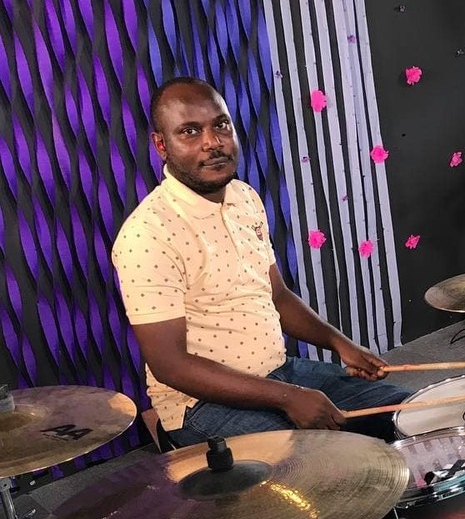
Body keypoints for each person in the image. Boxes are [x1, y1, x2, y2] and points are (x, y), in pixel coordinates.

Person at [112, 76, 410, 448]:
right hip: (200, 406)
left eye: (221, 125)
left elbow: (277, 296)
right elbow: (170, 365)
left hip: (278, 373)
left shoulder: (244, 197)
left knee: (408, 414)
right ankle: (171, 436)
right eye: (190, 131)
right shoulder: (147, 235)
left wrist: (340, 343)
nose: (212, 142)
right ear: (162, 145)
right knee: (329, 460)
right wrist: (289, 398)